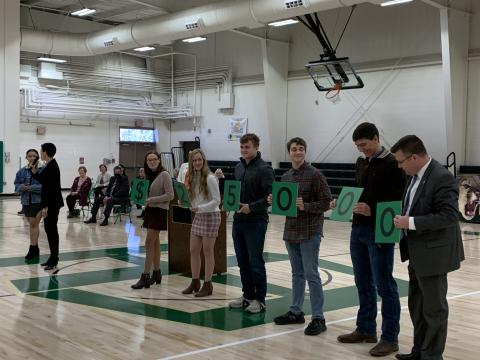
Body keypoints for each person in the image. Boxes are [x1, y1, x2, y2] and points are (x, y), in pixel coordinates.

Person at [391, 135, 464, 360]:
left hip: (435, 254)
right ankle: (419, 352)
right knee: (418, 306)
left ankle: (432, 356)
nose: (399, 166)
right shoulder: (414, 176)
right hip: (417, 253)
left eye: (401, 161)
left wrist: (410, 223)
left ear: (414, 157)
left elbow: (449, 216)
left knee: (434, 310)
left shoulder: (441, 177)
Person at [336, 123, 406, 357]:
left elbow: (399, 200)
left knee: (385, 286)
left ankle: (390, 338)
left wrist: (372, 210)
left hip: (380, 231)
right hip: (358, 229)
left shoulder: (393, 164)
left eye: (364, 145)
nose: (361, 150)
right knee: (362, 282)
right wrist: (345, 203)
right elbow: (359, 192)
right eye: (358, 146)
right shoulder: (361, 162)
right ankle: (366, 329)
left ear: (376, 138)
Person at [267, 137, 332, 335]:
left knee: (311, 274)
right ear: (289, 153)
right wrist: (274, 200)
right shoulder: (285, 176)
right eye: (294, 149)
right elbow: (284, 205)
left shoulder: (315, 175)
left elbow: (327, 202)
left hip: (310, 231)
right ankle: (296, 311)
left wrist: (306, 206)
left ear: (305, 152)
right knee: (297, 273)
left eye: (301, 149)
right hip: (291, 231)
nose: (297, 152)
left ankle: (319, 317)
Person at [228, 133, 275, 314]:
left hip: (256, 222)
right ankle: (247, 296)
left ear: (256, 147)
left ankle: (260, 299)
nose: (244, 149)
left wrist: (252, 207)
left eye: (247, 146)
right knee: (242, 261)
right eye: (241, 146)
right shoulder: (239, 167)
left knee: (255, 261)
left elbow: (271, 198)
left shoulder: (265, 169)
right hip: (238, 220)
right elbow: (235, 193)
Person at [181, 149, 221, 297]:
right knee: (193, 250)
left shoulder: (210, 177)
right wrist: (185, 202)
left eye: (200, 160)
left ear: (203, 161)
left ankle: (208, 284)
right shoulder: (192, 177)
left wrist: (200, 208)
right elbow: (195, 198)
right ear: (191, 162)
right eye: (194, 160)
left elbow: (217, 200)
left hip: (211, 216)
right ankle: (195, 281)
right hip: (199, 215)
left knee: (207, 251)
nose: (197, 162)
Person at [131, 151, 174, 289]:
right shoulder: (148, 175)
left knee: (149, 242)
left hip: (160, 211)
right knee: (154, 243)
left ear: (159, 160)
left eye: (154, 159)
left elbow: (170, 195)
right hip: (150, 210)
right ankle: (156, 273)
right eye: (149, 160)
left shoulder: (165, 174)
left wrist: (152, 199)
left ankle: (145, 276)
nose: (152, 162)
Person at [30, 143, 64, 271]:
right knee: (50, 230)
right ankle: (52, 258)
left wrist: (45, 207)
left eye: (41, 150)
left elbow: (51, 189)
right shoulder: (50, 165)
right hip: (51, 202)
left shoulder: (52, 166)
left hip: (52, 203)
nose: (40, 152)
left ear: (45, 152)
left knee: (51, 231)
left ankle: (54, 259)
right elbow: (44, 180)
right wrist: (34, 172)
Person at [14, 149, 43, 260]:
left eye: (34, 156)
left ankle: (32, 248)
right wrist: (21, 187)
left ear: (37, 157)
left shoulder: (42, 170)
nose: (32, 158)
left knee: (34, 224)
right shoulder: (21, 171)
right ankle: (35, 248)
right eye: (29, 156)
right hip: (26, 201)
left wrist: (30, 188)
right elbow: (16, 186)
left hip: (38, 201)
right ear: (26, 158)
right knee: (31, 225)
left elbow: (45, 187)